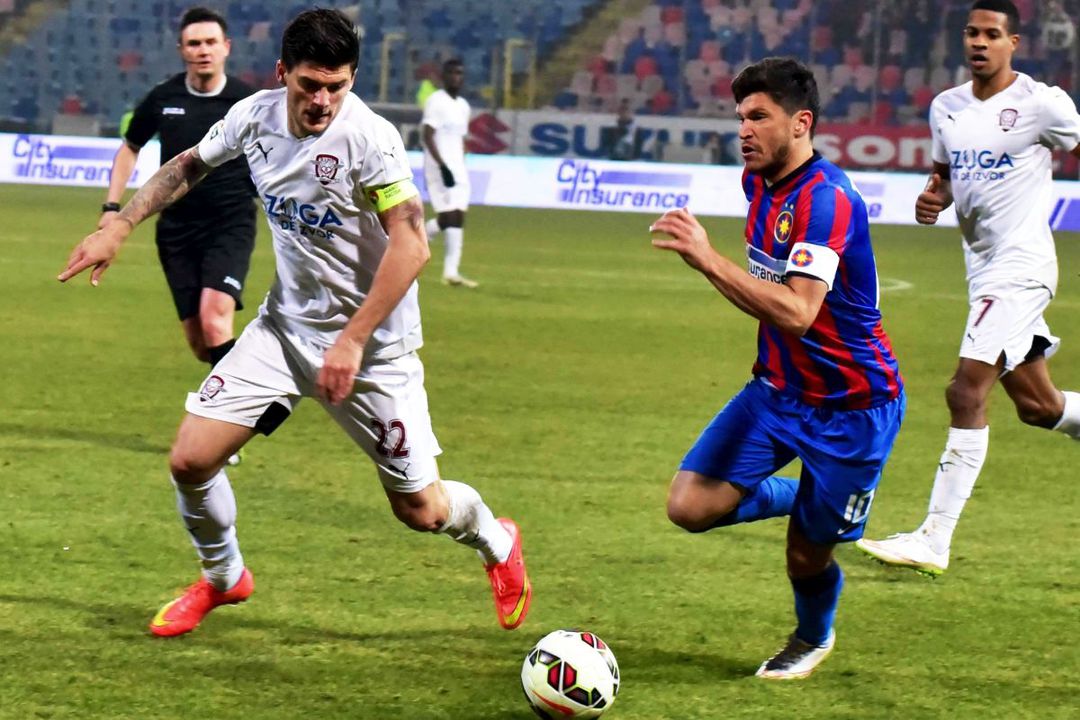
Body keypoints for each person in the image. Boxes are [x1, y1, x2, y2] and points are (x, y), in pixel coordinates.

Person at [58, 8, 531, 638]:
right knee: (190, 461)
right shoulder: (253, 118)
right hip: (283, 333)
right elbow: (188, 165)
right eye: (310, 84)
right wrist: (120, 223)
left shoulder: (371, 140)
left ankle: (497, 541)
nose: (323, 101)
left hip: (373, 352)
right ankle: (224, 577)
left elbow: (412, 243)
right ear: (283, 72)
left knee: (422, 510)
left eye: (337, 86)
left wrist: (352, 340)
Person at [651, 57, 905, 680]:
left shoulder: (827, 200)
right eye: (740, 116)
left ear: (801, 123)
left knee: (805, 556)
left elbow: (797, 312)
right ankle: (813, 500)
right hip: (777, 391)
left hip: (853, 406)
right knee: (688, 506)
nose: (744, 129)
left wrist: (708, 260)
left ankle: (812, 637)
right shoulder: (758, 182)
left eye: (759, 116)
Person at [856, 0, 1080, 576]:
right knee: (1038, 406)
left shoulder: (1041, 104)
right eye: (972, 33)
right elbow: (946, 176)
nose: (979, 42)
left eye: (991, 34)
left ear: (1013, 43)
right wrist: (935, 197)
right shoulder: (946, 108)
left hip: (1022, 267)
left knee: (965, 391)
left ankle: (934, 538)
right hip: (981, 269)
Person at [101, 6, 256, 370]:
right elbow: (130, 146)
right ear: (181, 50)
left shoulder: (246, 103)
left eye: (211, 42)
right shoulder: (163, 97)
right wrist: (111, 206)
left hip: (230, 223)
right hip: (176, 230)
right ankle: (249, 380)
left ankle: (243, 398)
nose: (203, 50)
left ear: (226, 47)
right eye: (194, 43)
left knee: (215, 318)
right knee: (201, 343)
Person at [421, 58, 477, 288]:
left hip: (458, 167)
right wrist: (442, 166)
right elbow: (427, 135)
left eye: (459, 73)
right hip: (439, 166)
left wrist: (461, 160)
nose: (456, 77)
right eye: (452, 72)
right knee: (450, 215)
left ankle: (450, 270)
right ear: (444, 76)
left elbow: (460, 138)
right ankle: (449, 271)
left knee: (456, 217)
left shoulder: (463, 106)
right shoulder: (436, 101)